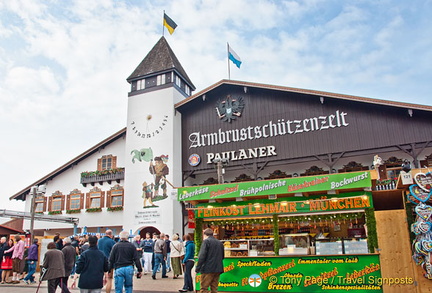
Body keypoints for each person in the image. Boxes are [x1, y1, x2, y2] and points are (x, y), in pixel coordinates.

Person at [196, 228, 224, 293]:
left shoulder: (206, 242)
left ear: (205, 234)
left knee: (204, 287)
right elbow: (222, 256)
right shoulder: (219, 243)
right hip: (218, 268)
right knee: (214, 288)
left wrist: (198, 268)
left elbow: (202, 256)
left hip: (207, 268)